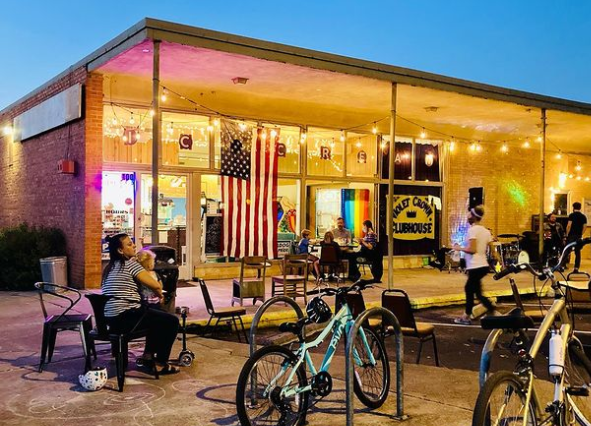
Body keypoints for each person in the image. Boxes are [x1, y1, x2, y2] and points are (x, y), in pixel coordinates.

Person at [102, 233, 180, 374]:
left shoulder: (108, 268)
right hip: (126, 318)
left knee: (153, 314)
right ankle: (160, 363)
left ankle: (147, 355)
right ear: (120, 251)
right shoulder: (131, 265)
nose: (134, 246)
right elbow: (155, 285)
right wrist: (160, 295)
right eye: (129, 244)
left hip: (109, 319)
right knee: (172, 321)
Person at [453, 205, 496, 325]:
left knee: (469, 290)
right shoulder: (486, 231)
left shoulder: (473, 230)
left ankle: (466, 317)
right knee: (476, 292)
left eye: (469, 214)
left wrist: (458, 248)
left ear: (473, 216)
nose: (468, 216)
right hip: (482, 266)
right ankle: (490, 311)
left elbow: (472, 250)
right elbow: (493, 251)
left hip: (475, 266)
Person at [565, 202, 587, 273]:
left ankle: (563, 265)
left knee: (567, 250)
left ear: (573, 207)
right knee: (577, 252)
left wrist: (567, 234)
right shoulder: (583, 216)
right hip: (578, 236)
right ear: (580, 208)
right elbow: (584, 227)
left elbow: (569, 225)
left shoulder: (571, 215)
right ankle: (576, 268)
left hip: (571, 235)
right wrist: (581, 234)